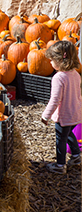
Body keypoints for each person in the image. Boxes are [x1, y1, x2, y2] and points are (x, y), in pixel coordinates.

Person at [41, 41, 82, 174]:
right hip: (75, 113)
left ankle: (60, 165)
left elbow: (55, 100)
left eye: (52, 60)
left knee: (61, 139)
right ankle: (76, 156)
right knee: (69, 134)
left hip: (63, 115)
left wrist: (46, 115)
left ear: (60, 59)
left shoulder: (59, 77)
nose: (50, 63)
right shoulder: (76, 74)